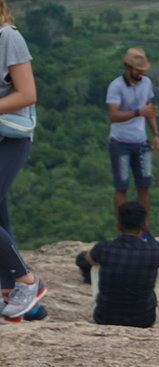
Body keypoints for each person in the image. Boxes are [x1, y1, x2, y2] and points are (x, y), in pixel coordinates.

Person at [0, 3, 45, 322]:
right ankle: (12, 294)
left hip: (12, 138)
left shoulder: (7, 37)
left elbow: (27, 93)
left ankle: (26, 281)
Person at [83, 201, 159, 328]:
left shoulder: (104, 248)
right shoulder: (154, 251)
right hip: (143, 320)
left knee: (96, 264)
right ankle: (152, 304)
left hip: (104, 317)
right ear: (144, 226)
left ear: (118, 225)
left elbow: (88, 258)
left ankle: (100, 302)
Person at [107, 47, 159, 222]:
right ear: (128, 67)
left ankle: (143, 228)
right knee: (121, 187)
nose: (141, 73)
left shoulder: (147, 83)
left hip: (141, 141)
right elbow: (113, 116)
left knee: (144, 186)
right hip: (120, 142)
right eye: (138, 70)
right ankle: (122, 227)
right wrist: (138, 112)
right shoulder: (116, 86)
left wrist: (155, 134)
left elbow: (149, 109)